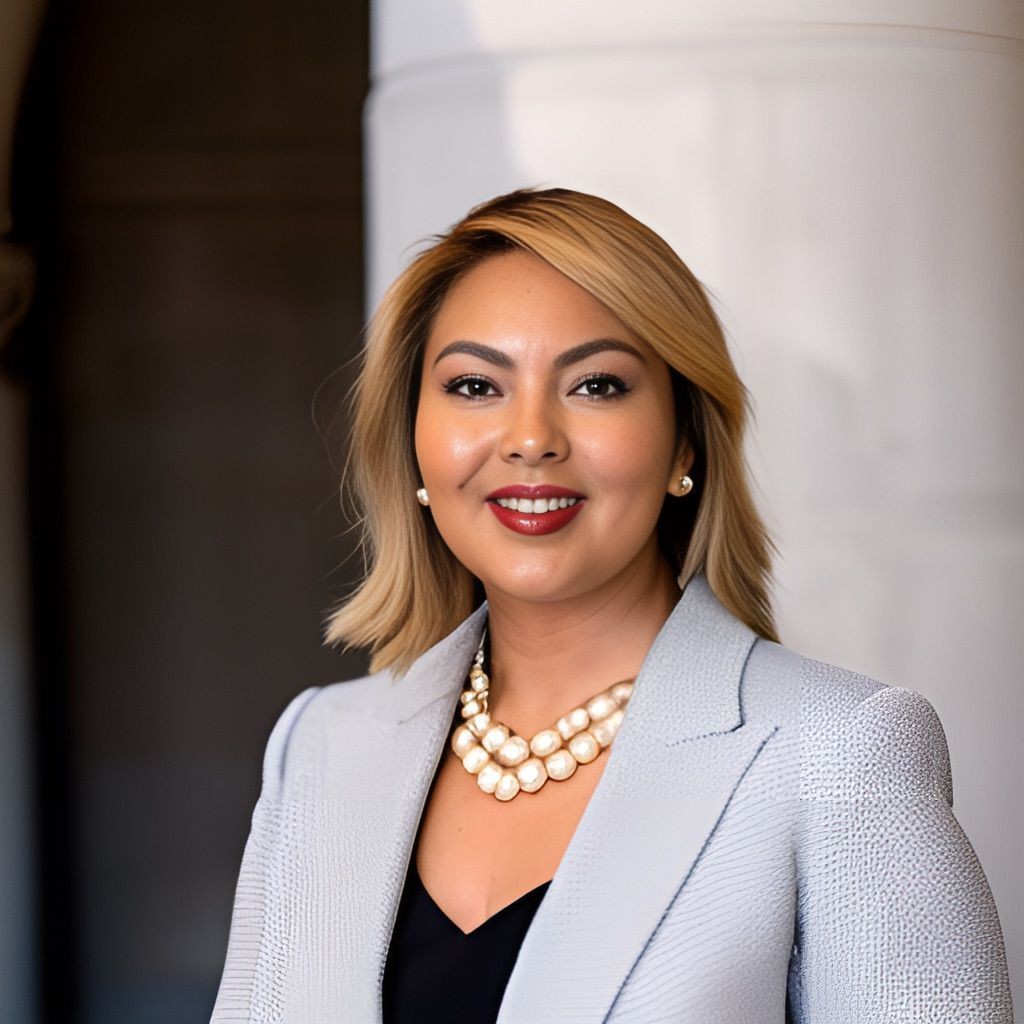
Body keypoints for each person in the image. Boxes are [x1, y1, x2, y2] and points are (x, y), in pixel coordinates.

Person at [209, 187, 1013, 1023]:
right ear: (413, 440)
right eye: (476, 386)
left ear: (685, 443)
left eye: (596, 385)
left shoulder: (837, 752)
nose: (530, 437)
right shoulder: (320, 749)